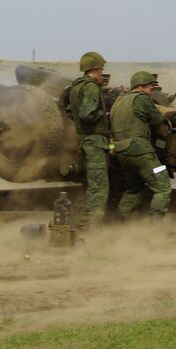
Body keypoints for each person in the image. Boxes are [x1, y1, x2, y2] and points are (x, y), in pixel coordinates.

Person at [110, 71, 172, 217]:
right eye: (151, 87)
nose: (152, 91)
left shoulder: (118, 102)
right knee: (163, 185)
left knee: (133, 189)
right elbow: (158, 120)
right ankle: (155, 224)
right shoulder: (141, 98)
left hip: (122, 154)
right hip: (142, 153)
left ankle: (119, 222)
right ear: (141, 86)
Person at [65, 51, 112, 222]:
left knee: (92, 183)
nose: (102, 72)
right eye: (101, 69)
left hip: (84, 140)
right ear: (94, 69)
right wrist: (103, 114)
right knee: (99, 186)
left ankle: (86, 217)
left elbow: (69, 112)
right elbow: (87, 114)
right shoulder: (91, 87)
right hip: (95, 140)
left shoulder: (75, 88)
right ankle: (93, 223)